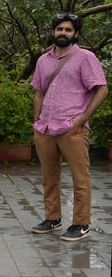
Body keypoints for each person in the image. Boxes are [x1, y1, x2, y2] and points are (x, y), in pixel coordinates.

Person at [30, 13, 108, 241]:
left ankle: (81, 224)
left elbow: (101, 89)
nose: (63, 33)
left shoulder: (85, 57)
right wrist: (37, 121)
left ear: (75, 33)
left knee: (80, 178)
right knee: (49, 176)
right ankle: (52, 218)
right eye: (59, 29)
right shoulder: (43, 60)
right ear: (53, 31)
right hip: (45, 128)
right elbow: (38, 91)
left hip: (72, 128)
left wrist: (81, 119)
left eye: (68, 30)